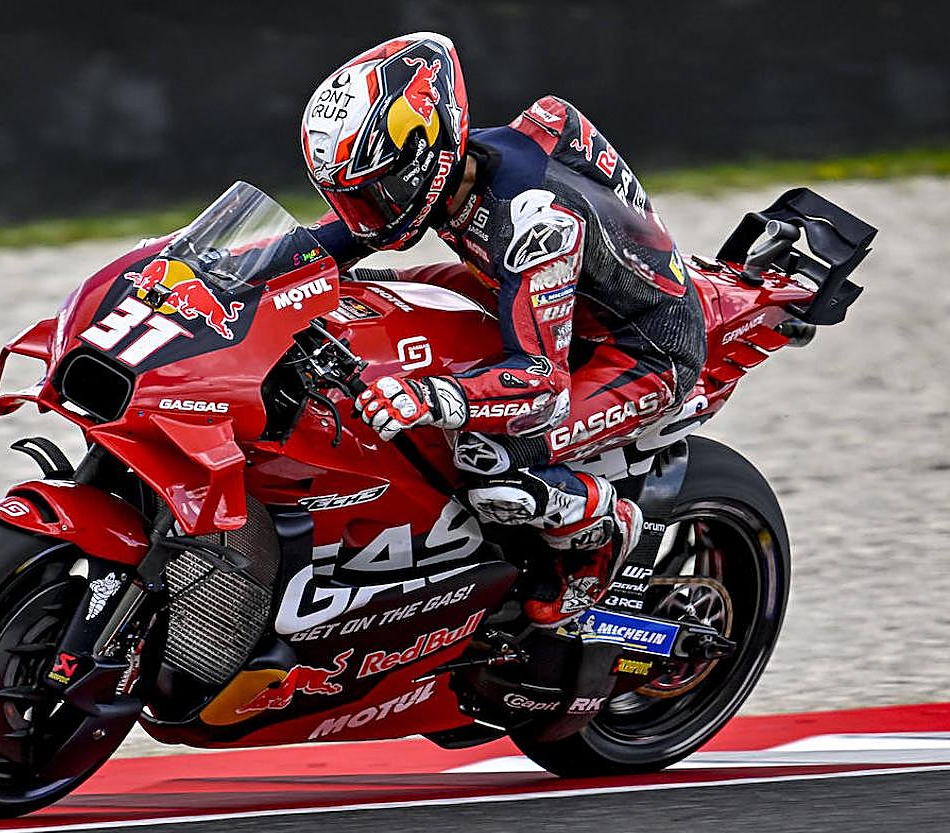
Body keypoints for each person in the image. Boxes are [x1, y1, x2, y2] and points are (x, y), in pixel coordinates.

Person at [300, 32, 707, 627]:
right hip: (523, 290)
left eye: (378, 191)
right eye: (351, 197)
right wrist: (198, 264)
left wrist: (430, 397)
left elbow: (541, 383)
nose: (367, 213)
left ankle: (604, 532)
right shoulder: (444, 180)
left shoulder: (534, 219)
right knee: (365, 296)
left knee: (490, 460)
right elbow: (316, 247)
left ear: (429, 155)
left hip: (640, 348)